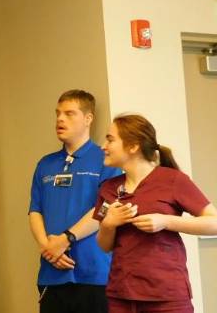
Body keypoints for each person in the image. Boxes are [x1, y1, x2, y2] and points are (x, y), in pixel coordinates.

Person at [94, 114, 217, 313]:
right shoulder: (108, 189)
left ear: (133, 146)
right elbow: (104, 245)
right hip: (121, 296)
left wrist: (165, 221)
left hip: (167, 297)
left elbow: (214, 223)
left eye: (110, 139)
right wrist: (109, 224)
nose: (103, 146)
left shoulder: (173, 180)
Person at [28, 90, 122, 313]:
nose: (60, 119)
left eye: (69, 114)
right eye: (58, 114)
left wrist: (65, 239)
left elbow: (104, 209)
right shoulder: (45, 164)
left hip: (95, 274)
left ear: (88, 119)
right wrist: (49, 248)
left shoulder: (106, 160)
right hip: (53, 274)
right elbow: (35, 210)